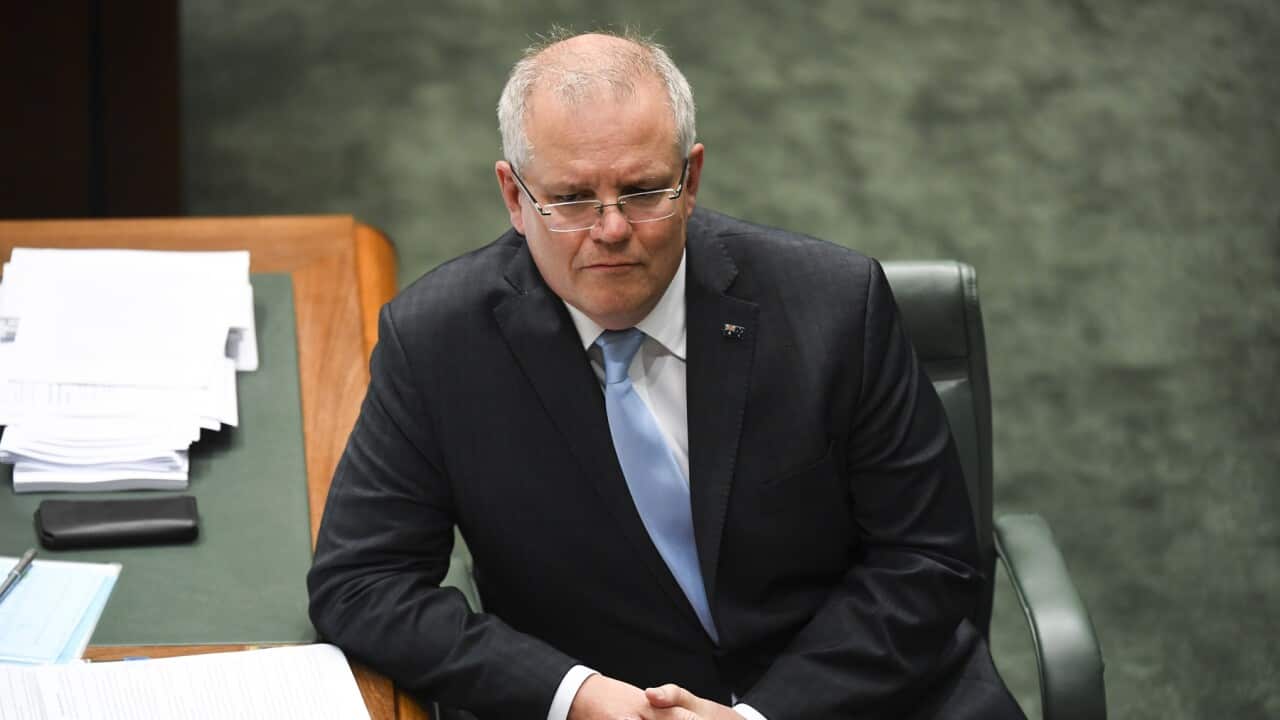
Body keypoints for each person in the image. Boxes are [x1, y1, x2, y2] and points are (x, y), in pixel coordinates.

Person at [308, 30, 1026, 720]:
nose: (612, 228)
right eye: (572, 199)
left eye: (643, 191)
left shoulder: (837, 306)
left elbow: (929, 562)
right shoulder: (437, 341)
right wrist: (572, 694)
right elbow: (362, 583)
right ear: (515, 198)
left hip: (862, 700)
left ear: (692, 180)